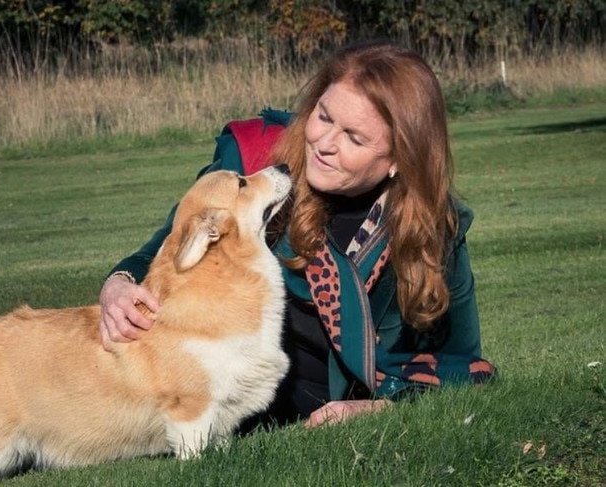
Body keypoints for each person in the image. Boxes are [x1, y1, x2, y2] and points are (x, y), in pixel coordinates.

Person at [99, 39, 496, 430]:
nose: (323, 144)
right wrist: (120, 283)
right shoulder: (255, 166)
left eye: (354, 138)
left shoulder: (435, 225)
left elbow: (465, 366)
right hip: (231, 407)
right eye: (323, 117)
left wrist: (380, 409)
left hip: (338, 411)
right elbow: (170, 242)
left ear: (398, 159)